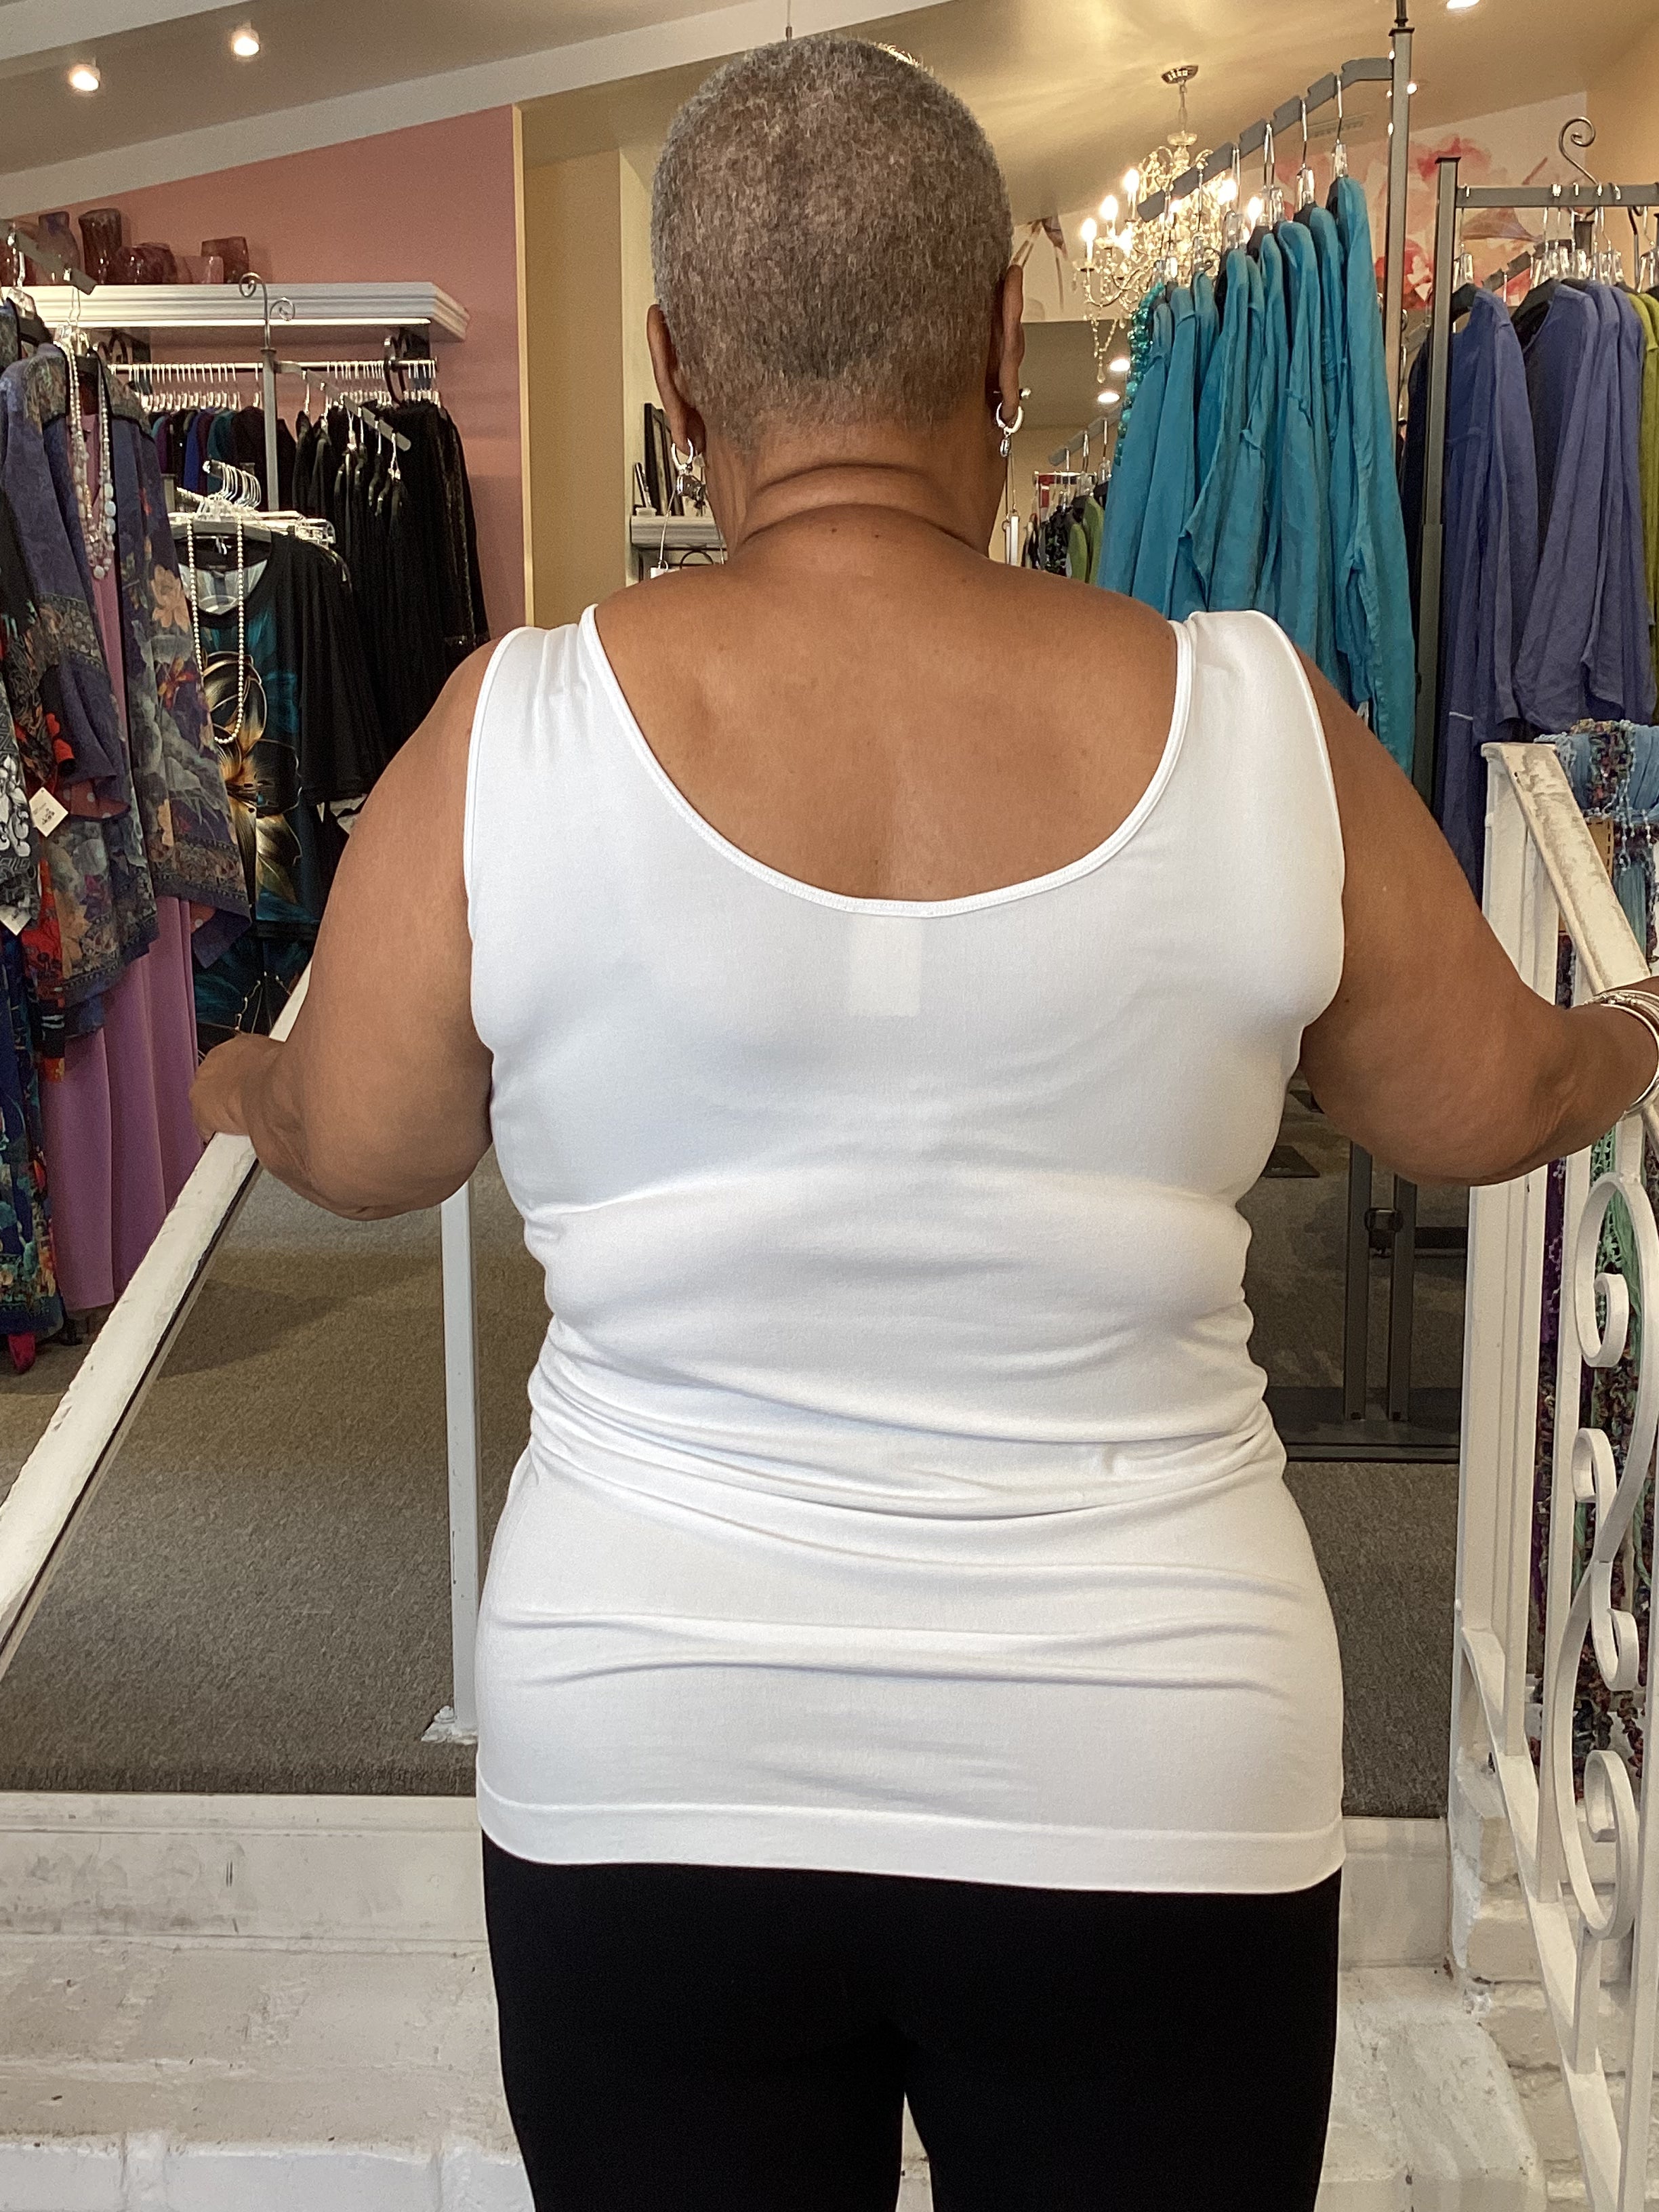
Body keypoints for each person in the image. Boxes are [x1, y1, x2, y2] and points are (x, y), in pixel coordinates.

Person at [190, 36, 1659, 2212]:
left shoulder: (514, 734)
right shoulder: (1260, 721)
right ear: (998, 336)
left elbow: (370, 1141)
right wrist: (1629, 1024)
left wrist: (236, 1078)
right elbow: (1486, 1103)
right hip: (1147, 1765)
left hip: (652, 1755)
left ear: (674, 375)